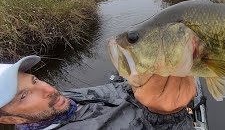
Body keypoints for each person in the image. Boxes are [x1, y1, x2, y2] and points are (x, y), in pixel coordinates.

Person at [0, 55, 196, 130]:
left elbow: (111, 90)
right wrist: (168, 116)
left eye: (34, 80)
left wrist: (134, 81)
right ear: (11, 120)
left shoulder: (64, 101)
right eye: (23, 96)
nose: (48, 89)